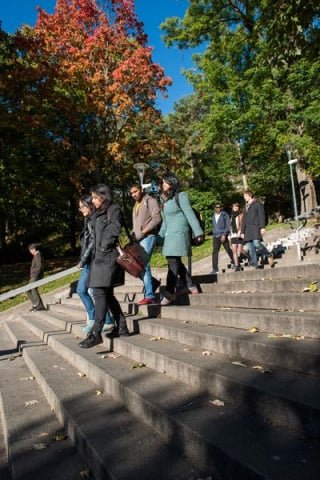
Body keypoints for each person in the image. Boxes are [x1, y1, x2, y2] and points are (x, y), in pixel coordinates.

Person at [79, 184, 129, 348]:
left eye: (94, 197)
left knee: (99, 292)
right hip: (97, 258)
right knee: (106, 293)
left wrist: (104, 246)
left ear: (103, 196)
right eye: (92, 198)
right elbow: (91, 235)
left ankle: (95, 333)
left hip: (108, 257)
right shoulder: (95, 213)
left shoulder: (113, 209)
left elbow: (115, 228)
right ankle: (122, 326)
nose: (92, 201)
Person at [157, 172, 204, 306]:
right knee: (175, 261)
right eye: (162, 182)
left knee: (173, 261)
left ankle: (169, 292)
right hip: (169, 235)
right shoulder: (165, 201)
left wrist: (198, 231)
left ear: (172, 183)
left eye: (165, 182)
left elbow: (189, 213)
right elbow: (165, 223)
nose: (162, 185)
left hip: (179, 234)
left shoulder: (181, 196)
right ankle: (191, 286)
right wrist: (158, 238)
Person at [76, 194, 114, 334]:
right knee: (82, 290)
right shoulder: (88, 220)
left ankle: (101, 320)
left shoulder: (92, 220)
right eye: (79, 208)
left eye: (82, 207)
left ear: (89, 205)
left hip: (92, 260)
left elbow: (92, 242)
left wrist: (83, 259)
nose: (81, 210)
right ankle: (102, 319)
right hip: (88, 261)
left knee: (89, 290)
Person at [129, 183, 162, 305]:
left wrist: (144, 231)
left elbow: (157, 219)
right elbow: (136, 224)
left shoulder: (150, 200)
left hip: (148, 237)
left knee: (143, 264)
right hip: (138, 240)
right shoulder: (135, 205)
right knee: (134, 266)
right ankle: (152, 283)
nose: (133, 195)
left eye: (135, 191)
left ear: (141, 190)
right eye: (131, 193)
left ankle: (149, 296)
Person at [241, 190, 274, 268]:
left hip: (255, 227)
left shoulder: (258, 204)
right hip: (247, 230)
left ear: (249, 195)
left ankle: (269, 255)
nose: (244, 198)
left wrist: (262, 227)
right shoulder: (245, 207)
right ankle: (254, 264)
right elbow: (244, 220)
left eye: (245, 196)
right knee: (250, 247)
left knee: (257, 244)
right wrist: (242, 231)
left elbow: (262, 216)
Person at [210, 203, 234, 274]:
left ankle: (234, 261)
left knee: (228, 249)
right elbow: (214, 226)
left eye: (219, 207)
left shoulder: (224, 215)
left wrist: (224, 234)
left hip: (223, 235)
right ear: (215, 208)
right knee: (214, 252)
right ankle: (215, 268)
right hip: (216, 236)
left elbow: (227, 225)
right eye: (217, 207)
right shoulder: (213, 216)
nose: (218, 208)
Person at [230, 203, 249, 271]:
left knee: (240, 249)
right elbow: (231, 226)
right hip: (233, 235)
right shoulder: (232, 216)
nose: (235, 207)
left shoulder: (241, 215)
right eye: (234, 206)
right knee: (234, 250)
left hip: (240, 234)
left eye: (236, 206)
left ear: (238, 207)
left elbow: (243, 224)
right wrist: (229, 234)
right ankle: (237, 265)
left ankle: (248, 256)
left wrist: (240, 231)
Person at [27, 243, 45, 311]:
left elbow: (39, 267)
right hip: (33, 276)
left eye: (30, 250)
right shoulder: (36, 255)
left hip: (36, 276)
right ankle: (35, 304)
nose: (30, 252)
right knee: (28, 290)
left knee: (33, 289)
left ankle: (39, 306)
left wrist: (35, 276)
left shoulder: (38, 255)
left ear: (33, 249)